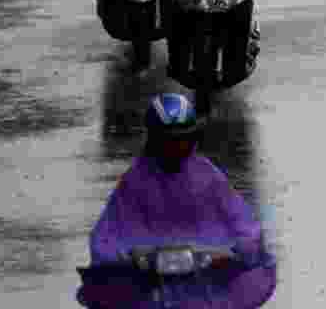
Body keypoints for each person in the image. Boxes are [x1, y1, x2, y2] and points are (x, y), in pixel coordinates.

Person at [87, 93, 275, 306]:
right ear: (153, 140)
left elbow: (242, 222)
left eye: (182, 141)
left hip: (207, 285)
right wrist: (115, 258)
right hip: (147, 288)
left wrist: (243, 249)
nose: (175, 148)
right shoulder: (135, 181)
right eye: (168, 142)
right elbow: (107, 234)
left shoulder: (208, 177)